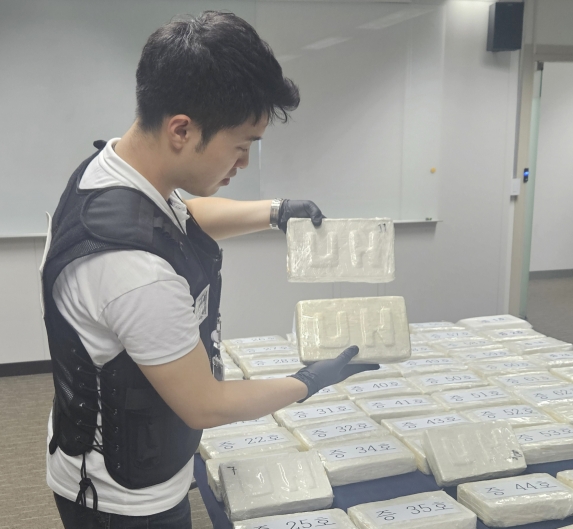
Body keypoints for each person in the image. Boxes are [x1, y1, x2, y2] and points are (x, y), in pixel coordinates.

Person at [41, 12, 377, 528]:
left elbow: (179, 218)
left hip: (120, 445)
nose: (242, 164)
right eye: (241, 146)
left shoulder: (117, 172)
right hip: (124, 499)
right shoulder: (134, 271)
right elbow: (207, 405)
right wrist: (306, 381)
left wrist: (273, 212)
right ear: (182, 129)